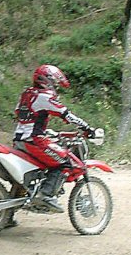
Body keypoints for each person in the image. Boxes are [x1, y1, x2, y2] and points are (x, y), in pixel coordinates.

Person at [12, 64, 94, 213]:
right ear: (46, 80)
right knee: (65, 162)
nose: (55, 87)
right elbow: (66, 115)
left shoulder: (26, 94)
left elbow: (26, 117)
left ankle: (8, 215)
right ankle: (46, 195)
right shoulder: (44, 97)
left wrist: (48, 132)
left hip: (19, 140)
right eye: (55, 83)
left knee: (26, 176)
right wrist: (87, 128)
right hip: (34, 141)